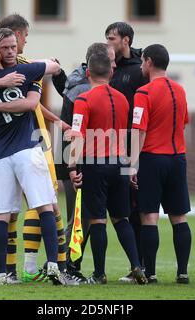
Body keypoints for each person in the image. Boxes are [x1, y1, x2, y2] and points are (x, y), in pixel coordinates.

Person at [0, 15, 71, 283]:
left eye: (14, 46)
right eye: (7, 48)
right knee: (45, 207)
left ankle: (0, 273)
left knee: (1, 214)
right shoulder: (23, 72)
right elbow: (52, 69)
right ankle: (52, 265)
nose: (13, 50)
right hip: (26, 150)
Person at [68, 53, 147, 285]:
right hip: (120, 163)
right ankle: (136, 266)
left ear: (88, 73)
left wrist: (72, 167)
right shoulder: (123, 99)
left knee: (97, 221)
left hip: (96, 164)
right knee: (122, 218)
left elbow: (77, 135)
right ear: (111, 73)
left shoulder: (84, 100)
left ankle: (99, 274)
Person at [131, 44, 192, 284]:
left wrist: (132, 165)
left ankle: (151, 273)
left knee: (149, 217)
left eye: (142, 61)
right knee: (179, 217)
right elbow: (184, 122)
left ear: (147, 62)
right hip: (177, 159)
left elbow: (140, 131)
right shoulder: (180, 90)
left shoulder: (143, 93)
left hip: (151, 159)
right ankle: (183, 273)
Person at [56, 43, 116, 283]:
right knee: (79, 218)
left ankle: (68, 264)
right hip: (79, 160)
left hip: (76, 158)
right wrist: (73, 166)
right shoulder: (85, 90)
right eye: (110, 61)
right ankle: (66, 267)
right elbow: (76, 132)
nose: (114, 65)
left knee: (83, 217)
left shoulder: (76, 82)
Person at [105, 21, 149, 283]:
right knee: (115, 211)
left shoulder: (138, 69)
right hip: (109, 147)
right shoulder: (105, 66)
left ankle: (142, 266)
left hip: (134, 147)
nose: (109, 42)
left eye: (113, 38)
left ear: (126, 40)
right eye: (106, 38)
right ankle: (137, 266)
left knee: (135, 209)